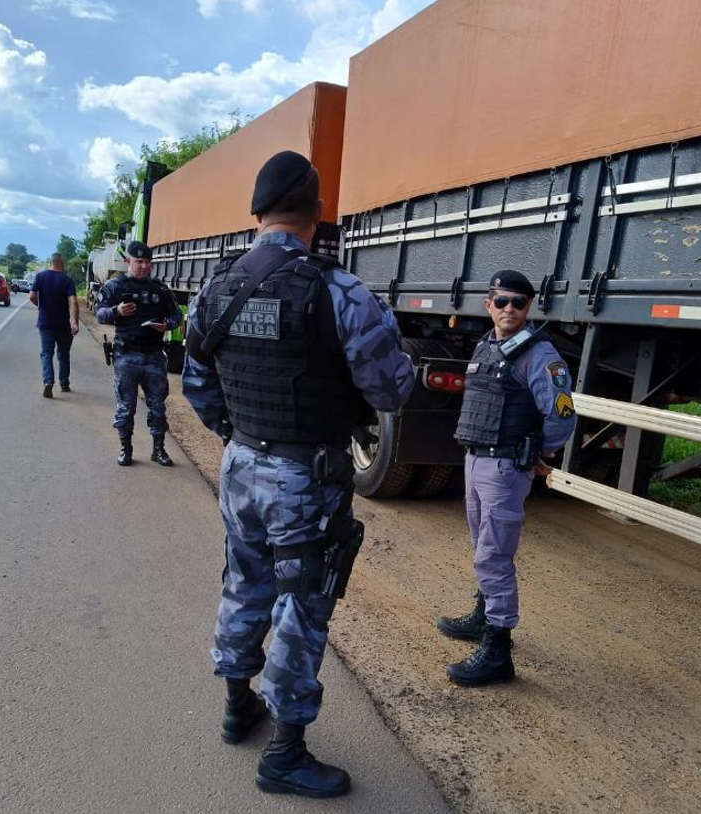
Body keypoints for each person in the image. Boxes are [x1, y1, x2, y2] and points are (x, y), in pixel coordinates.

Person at [183, 151, 415, 798]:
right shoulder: (338, 291)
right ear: (317, 213)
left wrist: (239, 436)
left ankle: (238, 706)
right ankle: (284, 753)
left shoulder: (216, 287)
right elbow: (391, 390)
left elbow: (195, 381)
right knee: (300, 607)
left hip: (241, 466)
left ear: (255, 212)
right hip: (304, 477)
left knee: (243, 581)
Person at [438, 270, 577, 687]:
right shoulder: (487, 345)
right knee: (482, 545)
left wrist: (536, 452)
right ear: (489, 305)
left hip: (504, 468)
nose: (509, 309)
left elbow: (561, 415)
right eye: (501, 301)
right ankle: (484, 616)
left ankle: (498, 650)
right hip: (476, 459)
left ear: (529, 306)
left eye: (518, 302)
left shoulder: (539, 355)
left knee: (494, 555)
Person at [95, 241, 182, 467]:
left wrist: (167, 325)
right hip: (127, 356)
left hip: (154, 356)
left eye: (148, 262)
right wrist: (116, 311)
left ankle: (158, 450)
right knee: (126, 408)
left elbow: (176, 315)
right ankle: (126, 449)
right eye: (139, 262)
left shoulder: (160, 289)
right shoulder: (115, 286)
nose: (144, 266)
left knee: (158, 408)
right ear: (128, 261)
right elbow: (99, 313)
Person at [29, 253, 79, 398]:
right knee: (63, 354)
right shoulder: (67, 280)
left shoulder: (40, 276)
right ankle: (64, 384)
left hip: (45, 323)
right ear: (61, 263)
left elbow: (31, 296)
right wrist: (75, 323)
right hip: (63, 325)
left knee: (46, 353)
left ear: (51, 262)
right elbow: (73, 302)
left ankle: (48, 381)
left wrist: (41, 306)